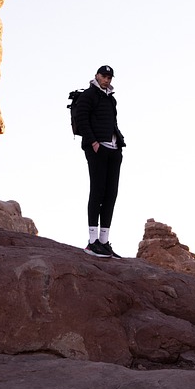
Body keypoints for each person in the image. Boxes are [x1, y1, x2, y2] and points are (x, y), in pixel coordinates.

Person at [71, 64, 125, 258]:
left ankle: (103, 241)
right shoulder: (88, 95)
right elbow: (82, 119)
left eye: (109, 77)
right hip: (97, 148)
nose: (106, 79)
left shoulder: (111, 99)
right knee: (97, 191)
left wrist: (118, 144)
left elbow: (113, 122)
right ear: (97, 76)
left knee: (111, 194)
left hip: (114, 149)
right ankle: (92, 242)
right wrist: (94, 142)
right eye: (103, 76)